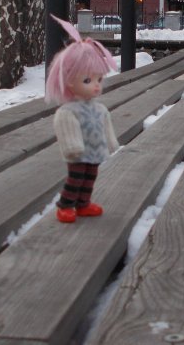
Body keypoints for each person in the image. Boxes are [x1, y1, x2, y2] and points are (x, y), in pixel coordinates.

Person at [45, 15, 119, 224]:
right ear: (69, 82)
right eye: (87, 80)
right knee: (76, 178)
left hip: (95, 151)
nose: (96, 85)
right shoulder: (69, 111)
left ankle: (83, 203)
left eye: (99, 79)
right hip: (78, 153)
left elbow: (106, 126)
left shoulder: (99, 109)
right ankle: (66, 205)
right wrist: (72, 146)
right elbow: (67, 129)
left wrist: (111, 143)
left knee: (90, 178)